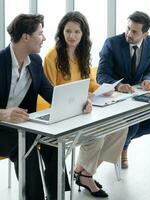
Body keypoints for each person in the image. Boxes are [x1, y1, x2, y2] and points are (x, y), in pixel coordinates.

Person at [0, 14, 91, 200]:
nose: (45, 38)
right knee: (25, 145)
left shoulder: (34, 62)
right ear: (26, 37)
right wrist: (3, 113)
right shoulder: (0, 62)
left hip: (23, 124)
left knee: (54, 139)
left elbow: (51, 93)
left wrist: (81, 102)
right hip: (2, 127)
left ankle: (57, 195)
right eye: (40, 34)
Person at [43, 11, 128, 198]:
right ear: (61, 32)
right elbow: (49, 92)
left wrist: (102, 89)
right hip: (61, 115)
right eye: (68, 31)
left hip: (83, 110)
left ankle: (83, 171)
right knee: (97, 136)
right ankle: (85, 175)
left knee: (120, 127)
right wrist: (85, 97)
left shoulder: (82, 54)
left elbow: (88, 82)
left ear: (83, 34)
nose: (72, 36)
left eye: (76, 32)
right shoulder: (52, 57)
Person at [97, 11, 150, 169]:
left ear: (145, 33)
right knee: (132, 124)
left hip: (137, 97)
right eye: (128, 28)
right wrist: (118, 85)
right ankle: (123, 148)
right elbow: (101, 75)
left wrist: (149, 79)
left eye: (134, 31)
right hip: (115, 98)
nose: (129, 33)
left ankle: (122, 144)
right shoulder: (112, 43)